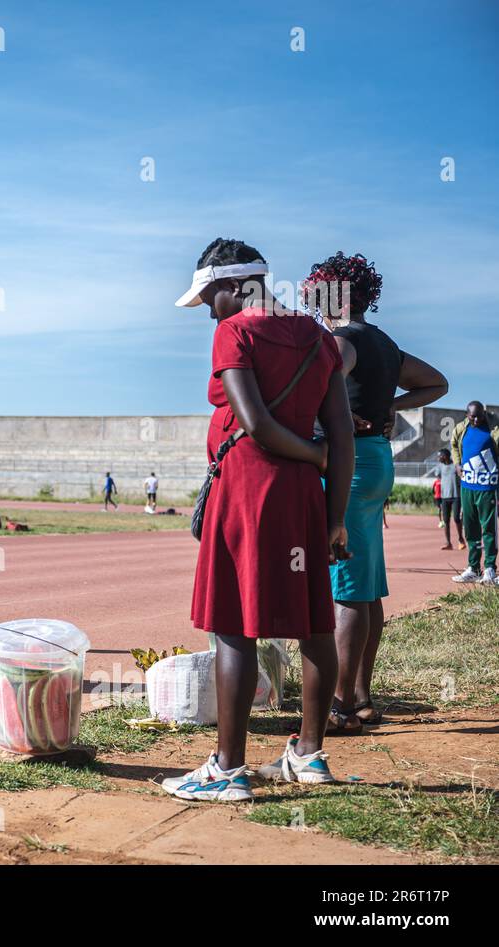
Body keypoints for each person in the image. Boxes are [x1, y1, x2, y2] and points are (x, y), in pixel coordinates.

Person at [163, 237, 353, 802]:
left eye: (208, 298)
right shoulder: (319, 338)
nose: (207, 313)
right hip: (303, 497)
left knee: (234, 624)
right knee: (316, 624)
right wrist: (334, 515)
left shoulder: (236, 330)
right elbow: (341, 436)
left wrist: (310, 454)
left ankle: (228, 769)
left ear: (231, 286)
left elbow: (255, 421)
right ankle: (310, 755)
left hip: (248, 488)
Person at [305, 253, 448, 731]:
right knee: (366, 586)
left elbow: (320, 382)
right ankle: (361, 694)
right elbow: (437, 383)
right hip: (376, 461)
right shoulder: (384, 342)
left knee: (345, 587)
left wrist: (335, 417)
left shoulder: (342, 340)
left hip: (351, 464)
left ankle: (341, 702)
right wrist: (391, 406)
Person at [451, 401, 499, 584]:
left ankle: (489, 569)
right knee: (470, 528)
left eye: (479, 415)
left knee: (488, 529)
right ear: (467, 415)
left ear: (484, 414)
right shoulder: (461, 429)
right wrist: (457, 464)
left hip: (488, 487)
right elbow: (454, 444)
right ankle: (473, 568)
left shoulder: (494, 430)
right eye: (472, 416)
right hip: (467, 487)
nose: (476, 419)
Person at [434, 450, 464, 550]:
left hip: (456, 496)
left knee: (456, 518)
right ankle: (448, 543)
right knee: (446, 521)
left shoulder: (455, 466)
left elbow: (462, 477)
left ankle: (460, 539)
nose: (438, 458)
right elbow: (438, 477)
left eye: (440, 456)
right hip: (444, 497)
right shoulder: (440, 467)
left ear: (445, 456)